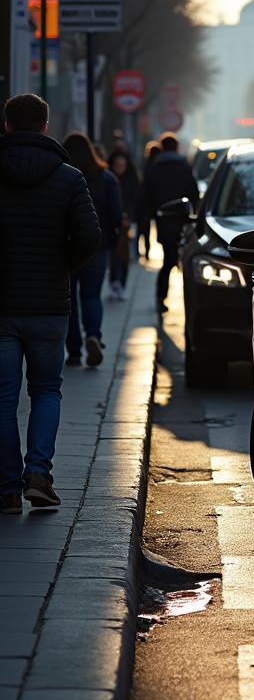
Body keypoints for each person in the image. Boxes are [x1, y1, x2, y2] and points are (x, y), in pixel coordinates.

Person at [0, 95, 100, 513]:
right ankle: (38, 474)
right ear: (45, 126)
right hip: (49, 306)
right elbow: (91, 237)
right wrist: (64, 265)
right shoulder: (70, 177)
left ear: (7, 126)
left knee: (3, 397)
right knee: (46, 390)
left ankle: (6, 489)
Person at [63, 133, 122, 367]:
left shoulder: (61, 176)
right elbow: (116, 214)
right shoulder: (106, 178)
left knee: (69, 299)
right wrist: (114, 237)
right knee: (91, 295)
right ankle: (94, 335)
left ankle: (74, 349)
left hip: (66, 246)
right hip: (98, 244)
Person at [143, 133, 199, 314]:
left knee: (168, 260)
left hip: (163, 221)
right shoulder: (184, 166)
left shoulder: (153, 168)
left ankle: (161, 297)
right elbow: (194, 192)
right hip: (183, 221)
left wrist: (150, 220)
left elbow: (146, 197)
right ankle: (191, 300)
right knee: (187, 262)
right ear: (175, 147)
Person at [108, 148, 141, 301]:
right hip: (111, 223)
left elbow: (136, 201)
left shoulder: (131, 181)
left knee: (125, 256)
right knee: (114, 255)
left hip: (128, 223)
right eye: (117, 165)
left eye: (122, 165)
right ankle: (114, 282)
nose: (120, 167)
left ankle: (122, 283)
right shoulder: (108, 180)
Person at [137, 140, 162, 259]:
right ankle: (157, 247)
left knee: (145, 228)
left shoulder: (146, 165)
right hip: (158, 201)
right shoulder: (160, 166)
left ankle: (146, 250)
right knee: (159, 226)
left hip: (146, 202)